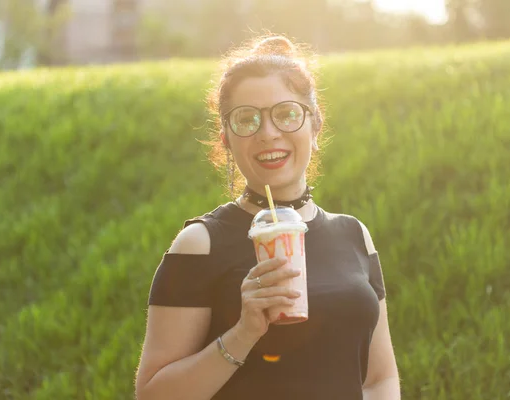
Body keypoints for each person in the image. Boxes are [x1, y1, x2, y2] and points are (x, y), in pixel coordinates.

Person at [135, 34, 401, 400]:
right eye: (246, 120)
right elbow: (153, 394)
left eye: (287, 114)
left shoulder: (354, 235)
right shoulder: (199, 245)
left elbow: (378, 379)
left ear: (315, 125)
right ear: (226, 139)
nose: (268, 133)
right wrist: (243, 333)